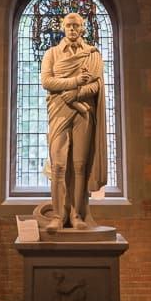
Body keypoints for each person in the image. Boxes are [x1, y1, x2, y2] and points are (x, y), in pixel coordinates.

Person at [40, 12, 107, 232]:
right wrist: (76, 82)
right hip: (58, 113)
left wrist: (75, 95)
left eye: (76, 25)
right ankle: (58, 216)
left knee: (80, 165)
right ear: (62, 27)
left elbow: (96, 85)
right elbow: (47, 81)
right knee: (58, 165)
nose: (72, 29)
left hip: (83, 113)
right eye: (68, 25)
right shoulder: (51, 54)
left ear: (82, 28)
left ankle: (77, 214)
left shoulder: (92, 54)